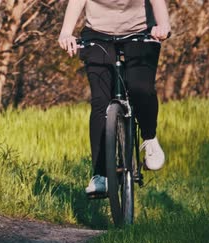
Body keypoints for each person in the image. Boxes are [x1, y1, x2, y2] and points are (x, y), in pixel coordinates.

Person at [58, 0, 171, 197]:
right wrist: (66, 32)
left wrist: (163, 25)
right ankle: (100, 175)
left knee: (140, 88)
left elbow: (157, 2)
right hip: (98, 34)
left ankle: (149, 137)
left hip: (141, 32)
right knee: (100, 101)